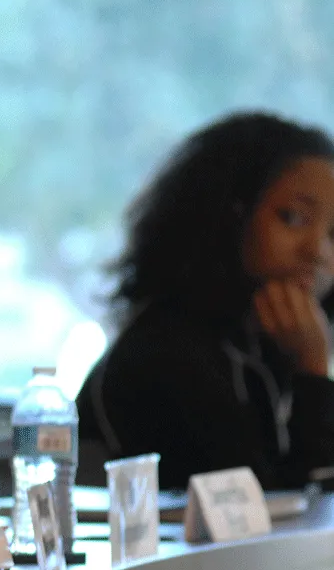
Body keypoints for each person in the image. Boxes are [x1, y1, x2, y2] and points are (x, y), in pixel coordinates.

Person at [80, 112, 334, 490]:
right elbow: (255, 513)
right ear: (231, 215)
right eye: (294, 218)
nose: (317, 251)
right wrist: (313, 371)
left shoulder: (266, 345)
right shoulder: (167, 347)